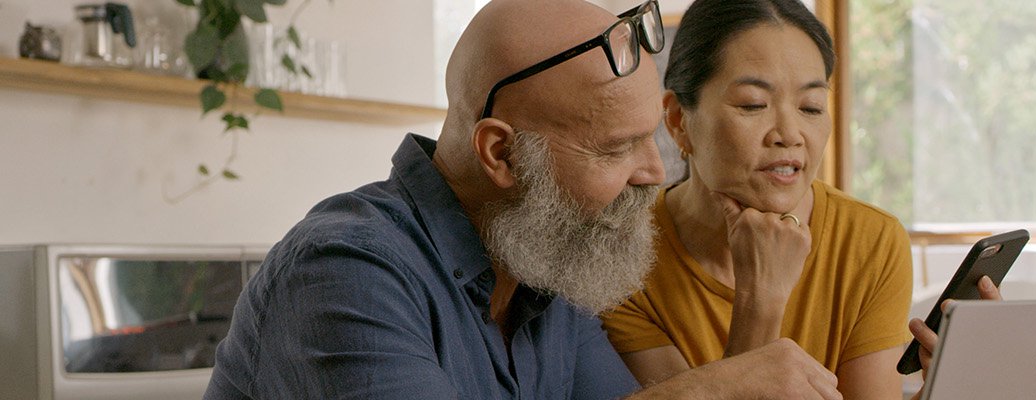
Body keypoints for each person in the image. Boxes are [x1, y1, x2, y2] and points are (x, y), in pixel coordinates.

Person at [204, 0, 843, 398]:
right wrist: (714, 390)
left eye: (650, 140)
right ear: (500, 154)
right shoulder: (344, 272)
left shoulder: (550, 271)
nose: (653, 172)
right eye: (615, 148)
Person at [599, 0, 1001, 398]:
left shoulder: (869, 241)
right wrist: (760, 300)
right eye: (752, 104)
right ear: (677, 120)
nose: (788, 134)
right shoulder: (619, 253)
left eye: (811, 107)